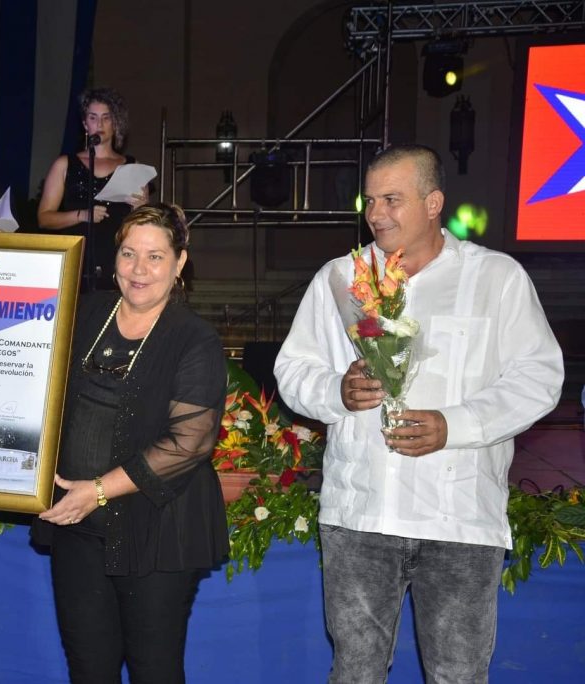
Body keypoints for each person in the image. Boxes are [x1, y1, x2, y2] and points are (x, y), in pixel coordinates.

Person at [274, 144, 564, 683]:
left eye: (392, 199)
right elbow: (292, 370)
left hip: (458, 518)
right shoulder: (340, 277)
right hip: (360, 516)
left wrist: (456, 425)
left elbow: (539, 377)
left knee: (458, 675)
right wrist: (337, 391)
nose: (376, 214)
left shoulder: (495, 278)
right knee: (355, 674)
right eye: (369, 200)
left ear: (434, 203)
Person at [34, 203, 228, 683]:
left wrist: (96, 490)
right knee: (89, 669)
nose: (139, 270)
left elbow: (189, 443)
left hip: (157, 534)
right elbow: (17, 369)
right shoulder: (83, 312)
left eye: (155, 256)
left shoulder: (194, 339)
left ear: (180, 263)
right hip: (77, 531)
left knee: (154, 671)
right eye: (128, 253)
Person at [37, 88, 148, 290]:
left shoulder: (132, 166)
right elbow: (44, 218)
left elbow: (143, 225)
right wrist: (82, 215)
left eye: (106, 118)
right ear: (85, 124)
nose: (100, 124)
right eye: (93, 117)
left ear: (115, 123)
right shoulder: (65, 164)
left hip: (116, 259)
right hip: (75, 260)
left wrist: (141, 208)